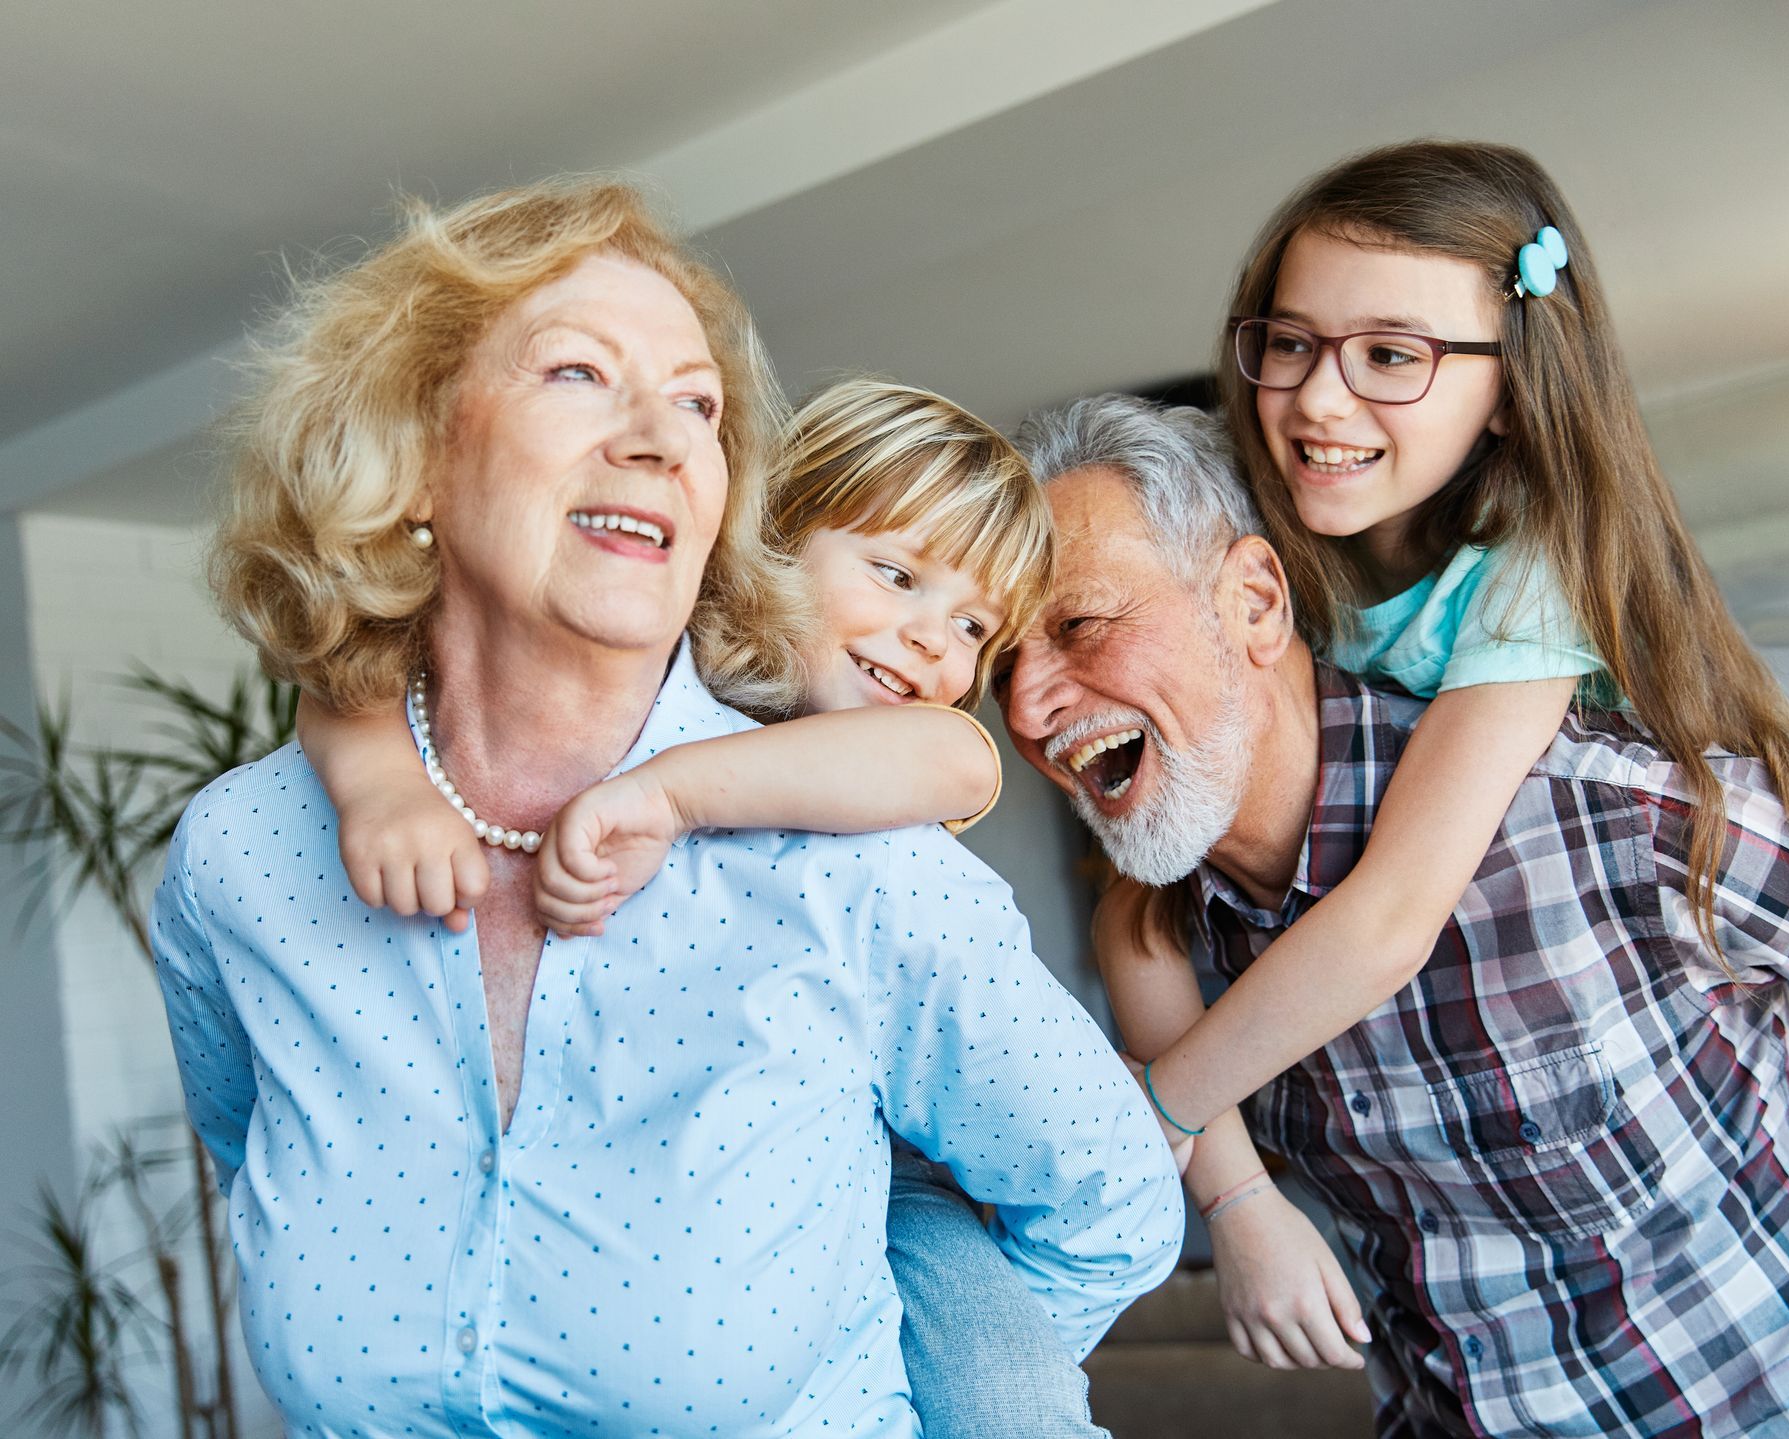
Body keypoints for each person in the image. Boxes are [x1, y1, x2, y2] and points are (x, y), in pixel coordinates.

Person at [150, 179, 1182, 1438]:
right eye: (579, 372)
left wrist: (891, 1375)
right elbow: (261, 1161)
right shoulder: (247, 854)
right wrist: (371, 773)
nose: (661, 435)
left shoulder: (861, 860)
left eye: (698, 403)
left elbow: (1109, 1205)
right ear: (415, 454)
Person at [1082, 138, 1789, 1404]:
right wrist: (1238, 1196)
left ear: (1513, 392)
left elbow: (1392, 913)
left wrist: (1168, 1108)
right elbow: (1134, 918)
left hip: (1643, 956)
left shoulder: (1533, 576)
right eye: (1292, 341)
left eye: (1393, 354)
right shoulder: (1287, 562)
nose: (1318, 397)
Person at [296, 375, 1119, 1438]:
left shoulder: (900, 745)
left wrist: (671, 796)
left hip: (899, 1172)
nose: (932, 642)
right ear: (771, 538)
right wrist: (379, 786)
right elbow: (352, 672)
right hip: (662, 1192)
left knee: (1017, 1404)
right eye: (895, 572)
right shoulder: (642, 649)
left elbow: (958, 757)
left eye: (972, 625)